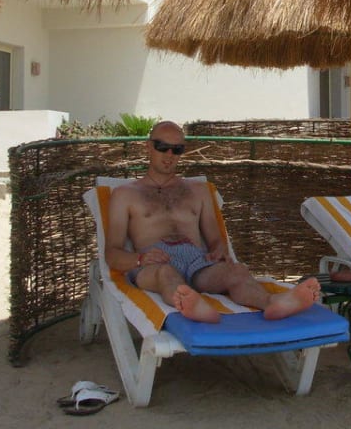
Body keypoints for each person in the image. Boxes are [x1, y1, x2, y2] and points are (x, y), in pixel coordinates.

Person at [105, 120, 321, 323]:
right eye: (162, 147)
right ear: (148, 147)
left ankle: (271, 303)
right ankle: (190, 304)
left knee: (237, 271)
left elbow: (216, 240)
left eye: (177, 149)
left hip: (196, 261)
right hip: (154, 263)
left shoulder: (198, 191)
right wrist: (140, 259)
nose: (169, 154)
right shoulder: (125, 194)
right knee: (166, 274)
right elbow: (112, 253)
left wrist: (218, 250)